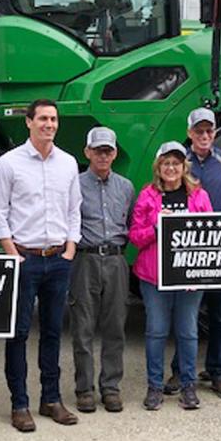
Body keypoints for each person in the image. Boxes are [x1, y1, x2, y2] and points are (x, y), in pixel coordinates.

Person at [0, 99, 82, 432]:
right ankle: (19, 404)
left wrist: (70, 247)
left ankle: (51, 399)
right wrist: (12, 252)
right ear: (28, 122)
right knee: (18, 333)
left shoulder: (68, 163)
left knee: (54, 333)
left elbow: (73, 209)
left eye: (53, 119)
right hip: (24, 259)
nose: (49, 124)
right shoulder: (9, 164)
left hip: (58, 259)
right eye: (42, 118)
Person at [166, 107, 221, 400]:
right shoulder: (178, 163)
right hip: (186, 254)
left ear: (215, 133)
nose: (204, 136)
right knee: (184, 317)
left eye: (208, 131)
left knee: (220, 316)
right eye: (198, 131)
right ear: (189, 133)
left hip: (220, 254)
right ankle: (180, 371)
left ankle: (218, 372)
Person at [129, 141, 213, 411]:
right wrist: (156, 226)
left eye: (176, 163)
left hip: (189, 275)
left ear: (183, 166)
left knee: (188, 332)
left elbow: (211, 232)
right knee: (156, 331)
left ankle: (188, 385)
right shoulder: (147, 196)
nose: (171, 168)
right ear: (158, 167)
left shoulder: (199, 196)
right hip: (154, 277)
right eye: (166, 163)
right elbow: (134, 237)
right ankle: (154, 386)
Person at [70, 126, 135, 414]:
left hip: (116, 259)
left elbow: (131, 223)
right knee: (82, 328)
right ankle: (84, 389)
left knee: (115, 327)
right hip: (85, 259)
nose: (103, 155)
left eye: (107, 150)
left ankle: (111, 387)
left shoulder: (126, 186)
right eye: (97, 150)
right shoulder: (74, 185)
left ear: (115, 153)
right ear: (87, 152)